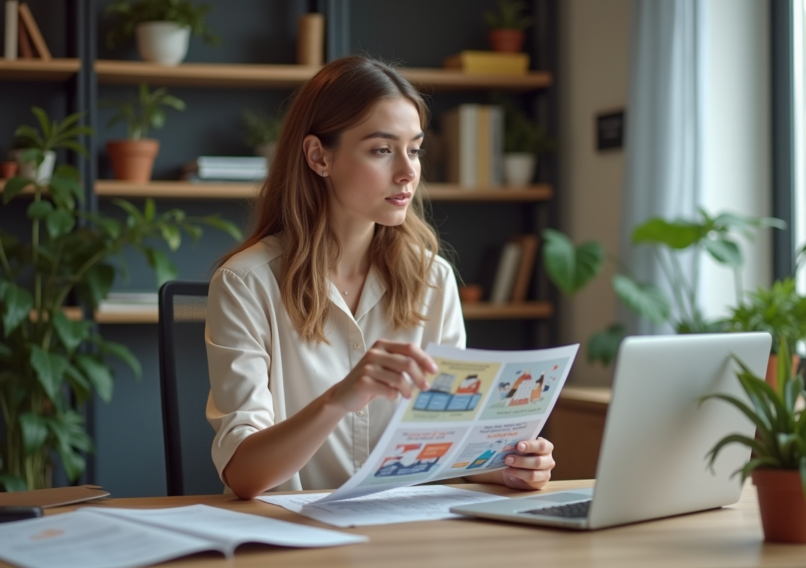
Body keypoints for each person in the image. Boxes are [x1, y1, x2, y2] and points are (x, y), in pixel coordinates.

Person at [205, 55, 556, 500]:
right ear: (318, 157)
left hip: (408, 536)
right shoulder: (245, 283)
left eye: (415, 149)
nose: (408, 172)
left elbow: (445, 448)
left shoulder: (433, 278)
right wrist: (338, 399)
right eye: (382, 149)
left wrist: (509, 464)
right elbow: (244, 475)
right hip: (292, 545)